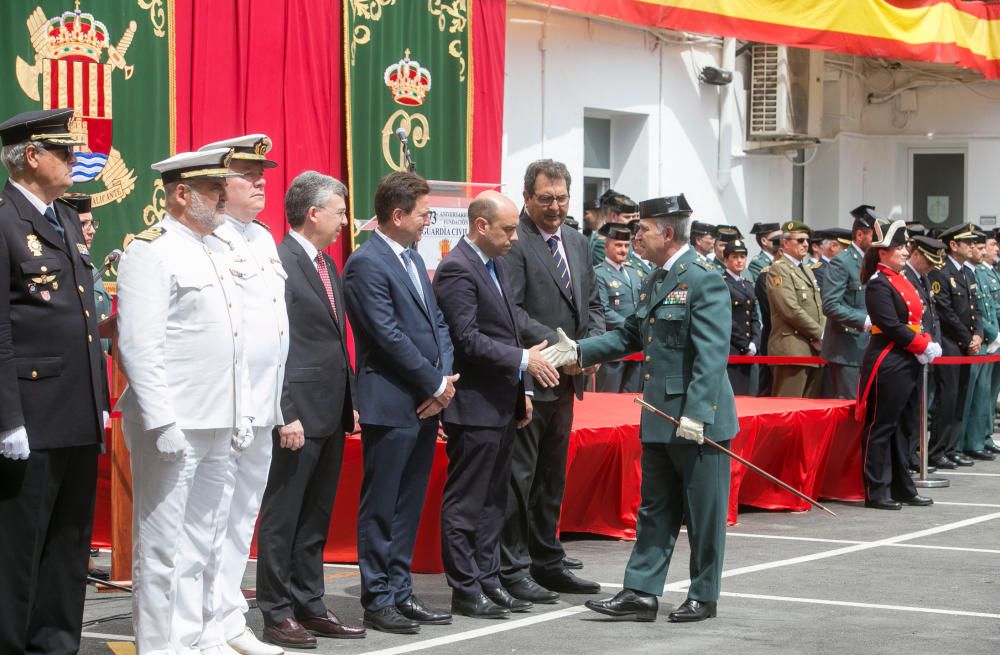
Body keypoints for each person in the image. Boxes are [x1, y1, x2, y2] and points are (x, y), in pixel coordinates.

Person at [544, 194, 738, 622]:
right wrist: (578, 349)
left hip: (695, 419)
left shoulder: (702, 279)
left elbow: (711, 354)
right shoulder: (655, 279)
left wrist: (698, 413)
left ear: (667, 232)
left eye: (643, 230)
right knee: (655, 508)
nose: (635, 237)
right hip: (660, 416)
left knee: (704, 512)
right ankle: (641, 591)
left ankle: (703, 595)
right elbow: (629, 336)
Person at [116, 148, 252, 655]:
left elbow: (233, 341)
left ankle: (197, 637)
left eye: (223, 186)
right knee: (162, 544)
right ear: (180, 194)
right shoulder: (151, 250)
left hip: (219, 418)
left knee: (206, 538)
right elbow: (139, 344)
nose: (223, 194)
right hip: (175, 421)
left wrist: (240, 412)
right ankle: (159, 646)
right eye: (213, 188)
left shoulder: (216, 248)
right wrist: (160, 420)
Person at [0, 108, 109, 655]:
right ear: (31, 156)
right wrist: (7, 418)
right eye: (63, 152)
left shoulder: (63, 216)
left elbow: (83, 317)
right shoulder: (2, 218)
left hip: (76, 409)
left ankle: (56, 645)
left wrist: (100, 398)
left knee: (69, 544)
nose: (74, 160)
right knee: (18, 550)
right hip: (31, 413)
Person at [177, 135, 291, 655]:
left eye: (262, 172)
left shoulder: (264, 239)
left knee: (241, 518)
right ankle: (199, 625)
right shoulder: (210, 239)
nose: (261, 181)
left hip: (263, 404)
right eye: (247, 174)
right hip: (227, 404)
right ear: (221, 183)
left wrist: (279, 406)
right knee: (210, 520)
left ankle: (227, 619)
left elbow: (274, 334)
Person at [432, 191, 559, 618]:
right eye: (507, 229)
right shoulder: (456, 269)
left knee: (493, 502)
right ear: (481, 225)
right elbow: (466, 338)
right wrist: (525, 361)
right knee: (468, 501)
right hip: (473, 405)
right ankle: (465, 587)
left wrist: (522, 387)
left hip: (501, 400)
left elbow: (509, 331)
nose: (514, 238)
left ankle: (488, 579)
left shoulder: (496, 265)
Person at [252, 171, 365, 649]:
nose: (344, 221)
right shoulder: (280, 263)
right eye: (339, 211)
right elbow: (274, 345)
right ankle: (276, 611)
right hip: (297, 414)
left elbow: (334, 343)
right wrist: (286, 411)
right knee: (284, 516)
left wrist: (350, 401)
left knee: (315, 516)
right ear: (313, 212)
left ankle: (309, 602)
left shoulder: (325, 263)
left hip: (329, 410)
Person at [343, 171, 457, 634]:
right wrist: (434, 384)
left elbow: (438, 326)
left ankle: (401, 591)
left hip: (425, 402)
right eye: (424, 213)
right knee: (382, 505)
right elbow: (386, 335)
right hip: (391, 402)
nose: (428, 221)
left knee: (408, 503)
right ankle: (378, 598)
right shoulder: (367, 263)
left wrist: (444, 381)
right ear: (397, 215)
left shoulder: (411, 258)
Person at [500, 159, 604, 603]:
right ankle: (513, 565)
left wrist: (592, 347)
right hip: (532, 376)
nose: (555, 207)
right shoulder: (514, 242)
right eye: (546, 199)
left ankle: (547, 560)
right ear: (527, 198)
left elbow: (594, 305)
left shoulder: (578, 243)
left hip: (567, 383)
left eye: (562, 198)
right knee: (519, 479)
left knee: (551, 479)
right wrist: (565, 349)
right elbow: (512, 312)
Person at [855, 219, 939, 509]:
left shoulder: (902, 280)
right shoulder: (878, 284)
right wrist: (923, 345)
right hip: (889, 360)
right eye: (899, 247)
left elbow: (915, 320)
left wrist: (924, 340)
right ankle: (876, 489)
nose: (905, 251)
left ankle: (902, 486)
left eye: (904, 246)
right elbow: (890, 325)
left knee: (904, 427)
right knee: (882, 426)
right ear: (882, 252)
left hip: (907, 358)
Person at [59, 192, 111, 582]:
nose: (91, 231)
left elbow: (99, 337)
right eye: (85, 224)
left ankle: (81, 548)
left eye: (93, 224)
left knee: (84, 477)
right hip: (60, 390)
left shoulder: (90, 267)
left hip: (94, 382)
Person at [927, 224, 982, 469]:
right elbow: (945, 311)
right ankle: (937, 449)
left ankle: (952, 447)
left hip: (967, 344)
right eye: (967, 242)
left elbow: (975, 309)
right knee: (946, 398)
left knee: (960, 397)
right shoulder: (940, 271)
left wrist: (978, 335)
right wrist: (966, 337)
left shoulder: (967, 274)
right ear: (953, 245)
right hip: (950, 343)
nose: (972, 246)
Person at [819, 205, 875, 399]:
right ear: (860, 235)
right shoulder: (842, 262)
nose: (878, 241)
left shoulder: (873, 263)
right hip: (847, 349)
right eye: (873, 235)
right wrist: (863, 320)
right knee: (850, 408)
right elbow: (831, 305)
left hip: (869, 347)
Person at [767, 221, 826, 398]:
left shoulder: (806, 269)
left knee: (807, 414)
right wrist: (820, 333)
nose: (806, 245)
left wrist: (822, 333)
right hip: (791, 348)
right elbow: (790, 309)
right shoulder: (779, 269)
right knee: (787, 409)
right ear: (785, 243)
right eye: (800, 240)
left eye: (807, 240)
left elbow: (818, 306)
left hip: (812, 349)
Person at [904, 235, 945, 472]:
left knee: (919, 408)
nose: (930, 267)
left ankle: (913, 455)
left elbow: (932, 314)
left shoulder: (922, 278)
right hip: (912, 349)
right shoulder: (906, 277)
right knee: (911, 409)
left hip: (924, 348)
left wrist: (934, 343)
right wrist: (921, 344)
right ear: (916, 254)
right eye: (927, 260)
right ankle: (908, 456)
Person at [958, 231, 999, 461]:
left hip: (988, 340)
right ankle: (966, 442)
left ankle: (979, 437)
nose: (986, 251)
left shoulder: (983, 272)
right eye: (982, 247)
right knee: (973, 395)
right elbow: (981, 311)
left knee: (985, 394)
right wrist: (993, 335)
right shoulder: (977, 273)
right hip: (979, 342)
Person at [594, 222, 644, 392]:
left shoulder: (634, 273)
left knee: (632, 399)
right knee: (609, 400)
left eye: (626, 245)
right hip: (613, 346)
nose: (623, 250)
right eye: (618, 245)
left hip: (635, 348)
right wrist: (632, 326)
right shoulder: (598, 273)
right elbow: (602, 309)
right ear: (607, 246)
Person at [723, 239, 760, 395]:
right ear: (726, 260)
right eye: (734, 257)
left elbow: (754, 317)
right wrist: (744, 345)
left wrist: (755, 343)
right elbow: (727, 320)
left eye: (742, 256)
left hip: (749, 350)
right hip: (733, 350)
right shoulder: (722, 283)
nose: (739, 261)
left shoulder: (748, 284)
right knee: (736, 394)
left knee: (750, 394)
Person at [754, 232, 783, 396]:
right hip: (774, 339)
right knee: (769, 391)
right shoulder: (766, 276)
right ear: (780, 252)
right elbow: (775, 311)